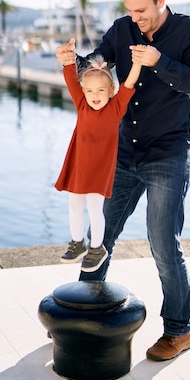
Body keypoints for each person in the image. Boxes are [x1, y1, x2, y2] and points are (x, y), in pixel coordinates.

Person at [56, 0, 190, 361]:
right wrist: (77, 61)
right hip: (123, 153)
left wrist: (160, 60)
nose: (136, 18)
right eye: (130, 10)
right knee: (101, 235)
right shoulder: (122, 28)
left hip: (169, 152)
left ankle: (179, 332)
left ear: (160, 0)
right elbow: (99, 61)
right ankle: (81, 317)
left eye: (142, 10)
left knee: (163, 243)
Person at [55, 50, 142, 272]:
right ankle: (77, 243)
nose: (95, 95)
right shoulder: (82, 105)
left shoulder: (116, 108)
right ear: (83, 92)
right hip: (79, 165)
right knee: (74, 204)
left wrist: (138, 63)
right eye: (90, 90)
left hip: (101, 168)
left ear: (111, 91)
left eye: (101, 90)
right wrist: (68, 62)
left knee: (95, 208)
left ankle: (97, 248)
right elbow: (71, 80)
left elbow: (129, 84)